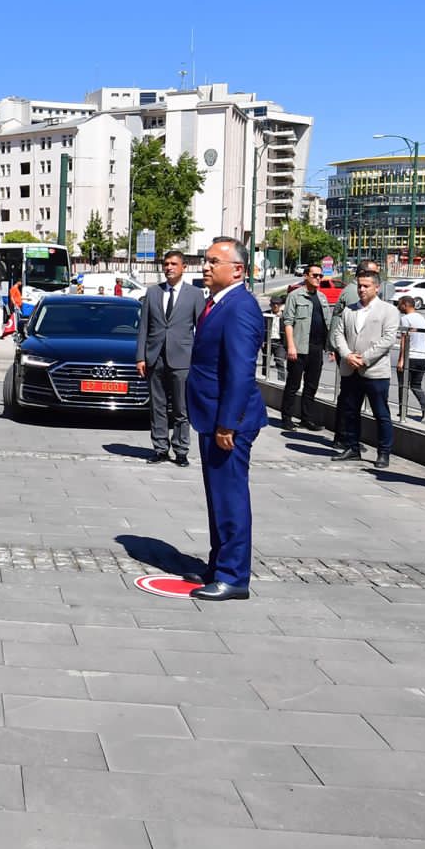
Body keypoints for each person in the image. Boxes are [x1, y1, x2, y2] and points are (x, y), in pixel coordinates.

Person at [185, 239, 266, 601]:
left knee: (230, 498)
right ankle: (218, 565)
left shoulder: (240, 307)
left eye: (213, 261)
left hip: (228, 421)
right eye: (205, 260)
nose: (205, 266)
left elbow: (240, 371)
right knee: (218, 497)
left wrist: (228, 423)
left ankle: (233, 576)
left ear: (237, 270)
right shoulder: (217, 303)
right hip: (212, 415)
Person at [136, 250, 205, 466]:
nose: (169, 268)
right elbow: (144, 327)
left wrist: (199, 359)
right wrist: (140, 357)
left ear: (184, 267)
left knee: (181, 408)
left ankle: (181, 450)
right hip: (155, 357)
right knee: (157, 406)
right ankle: (160, 449)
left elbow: (202, 329)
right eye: (166, 264)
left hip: (182, 359)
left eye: (174, 264)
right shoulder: (153, 292)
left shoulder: (194, 294)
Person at [331, 269, 399, 467]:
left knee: (381, 413)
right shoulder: (349, 310)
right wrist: (347, 355)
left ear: (376, 288)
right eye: (359, 285)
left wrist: (365, 358)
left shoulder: (388, 310)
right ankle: (352, 447)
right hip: (350, 368)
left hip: (374, 371)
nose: (361, 289)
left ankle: (384, 452)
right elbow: (338, 334)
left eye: (366, 286)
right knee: (350, 410)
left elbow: (388, 339)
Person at [279, 265, 331, 430]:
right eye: (315, 275)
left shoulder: (322, 297)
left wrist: (330, 348)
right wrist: (291, 346)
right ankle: (286, 418)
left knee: (311, 385)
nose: (318, 278)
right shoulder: (295, 296)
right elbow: (288, 322)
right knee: (293, 385)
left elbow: (327, 324)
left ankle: (307, 419)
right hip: (299, 347)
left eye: (320, 275)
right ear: (306, 276)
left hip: (317, 348)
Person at [397, 294, 425, 422]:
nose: (398, 307)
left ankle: (402, 412)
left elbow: (404, 340)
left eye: (400, 304)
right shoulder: (421, 318)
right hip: (423, 357)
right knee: (416, 385)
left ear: (406, 305)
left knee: (403, 385)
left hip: (411, 357)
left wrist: (401, 360)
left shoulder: (405, 319)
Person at [266, 295, 287, 378]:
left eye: (277, 304)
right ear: (270, 305)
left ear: (280, 305)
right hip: (268, 341)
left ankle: (281, 380)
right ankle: (264, 378)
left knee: (280, 360)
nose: (275, 306)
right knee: (266, 361)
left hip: (280, 342)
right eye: (273, 304)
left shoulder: (285, 315)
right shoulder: (265, 314)